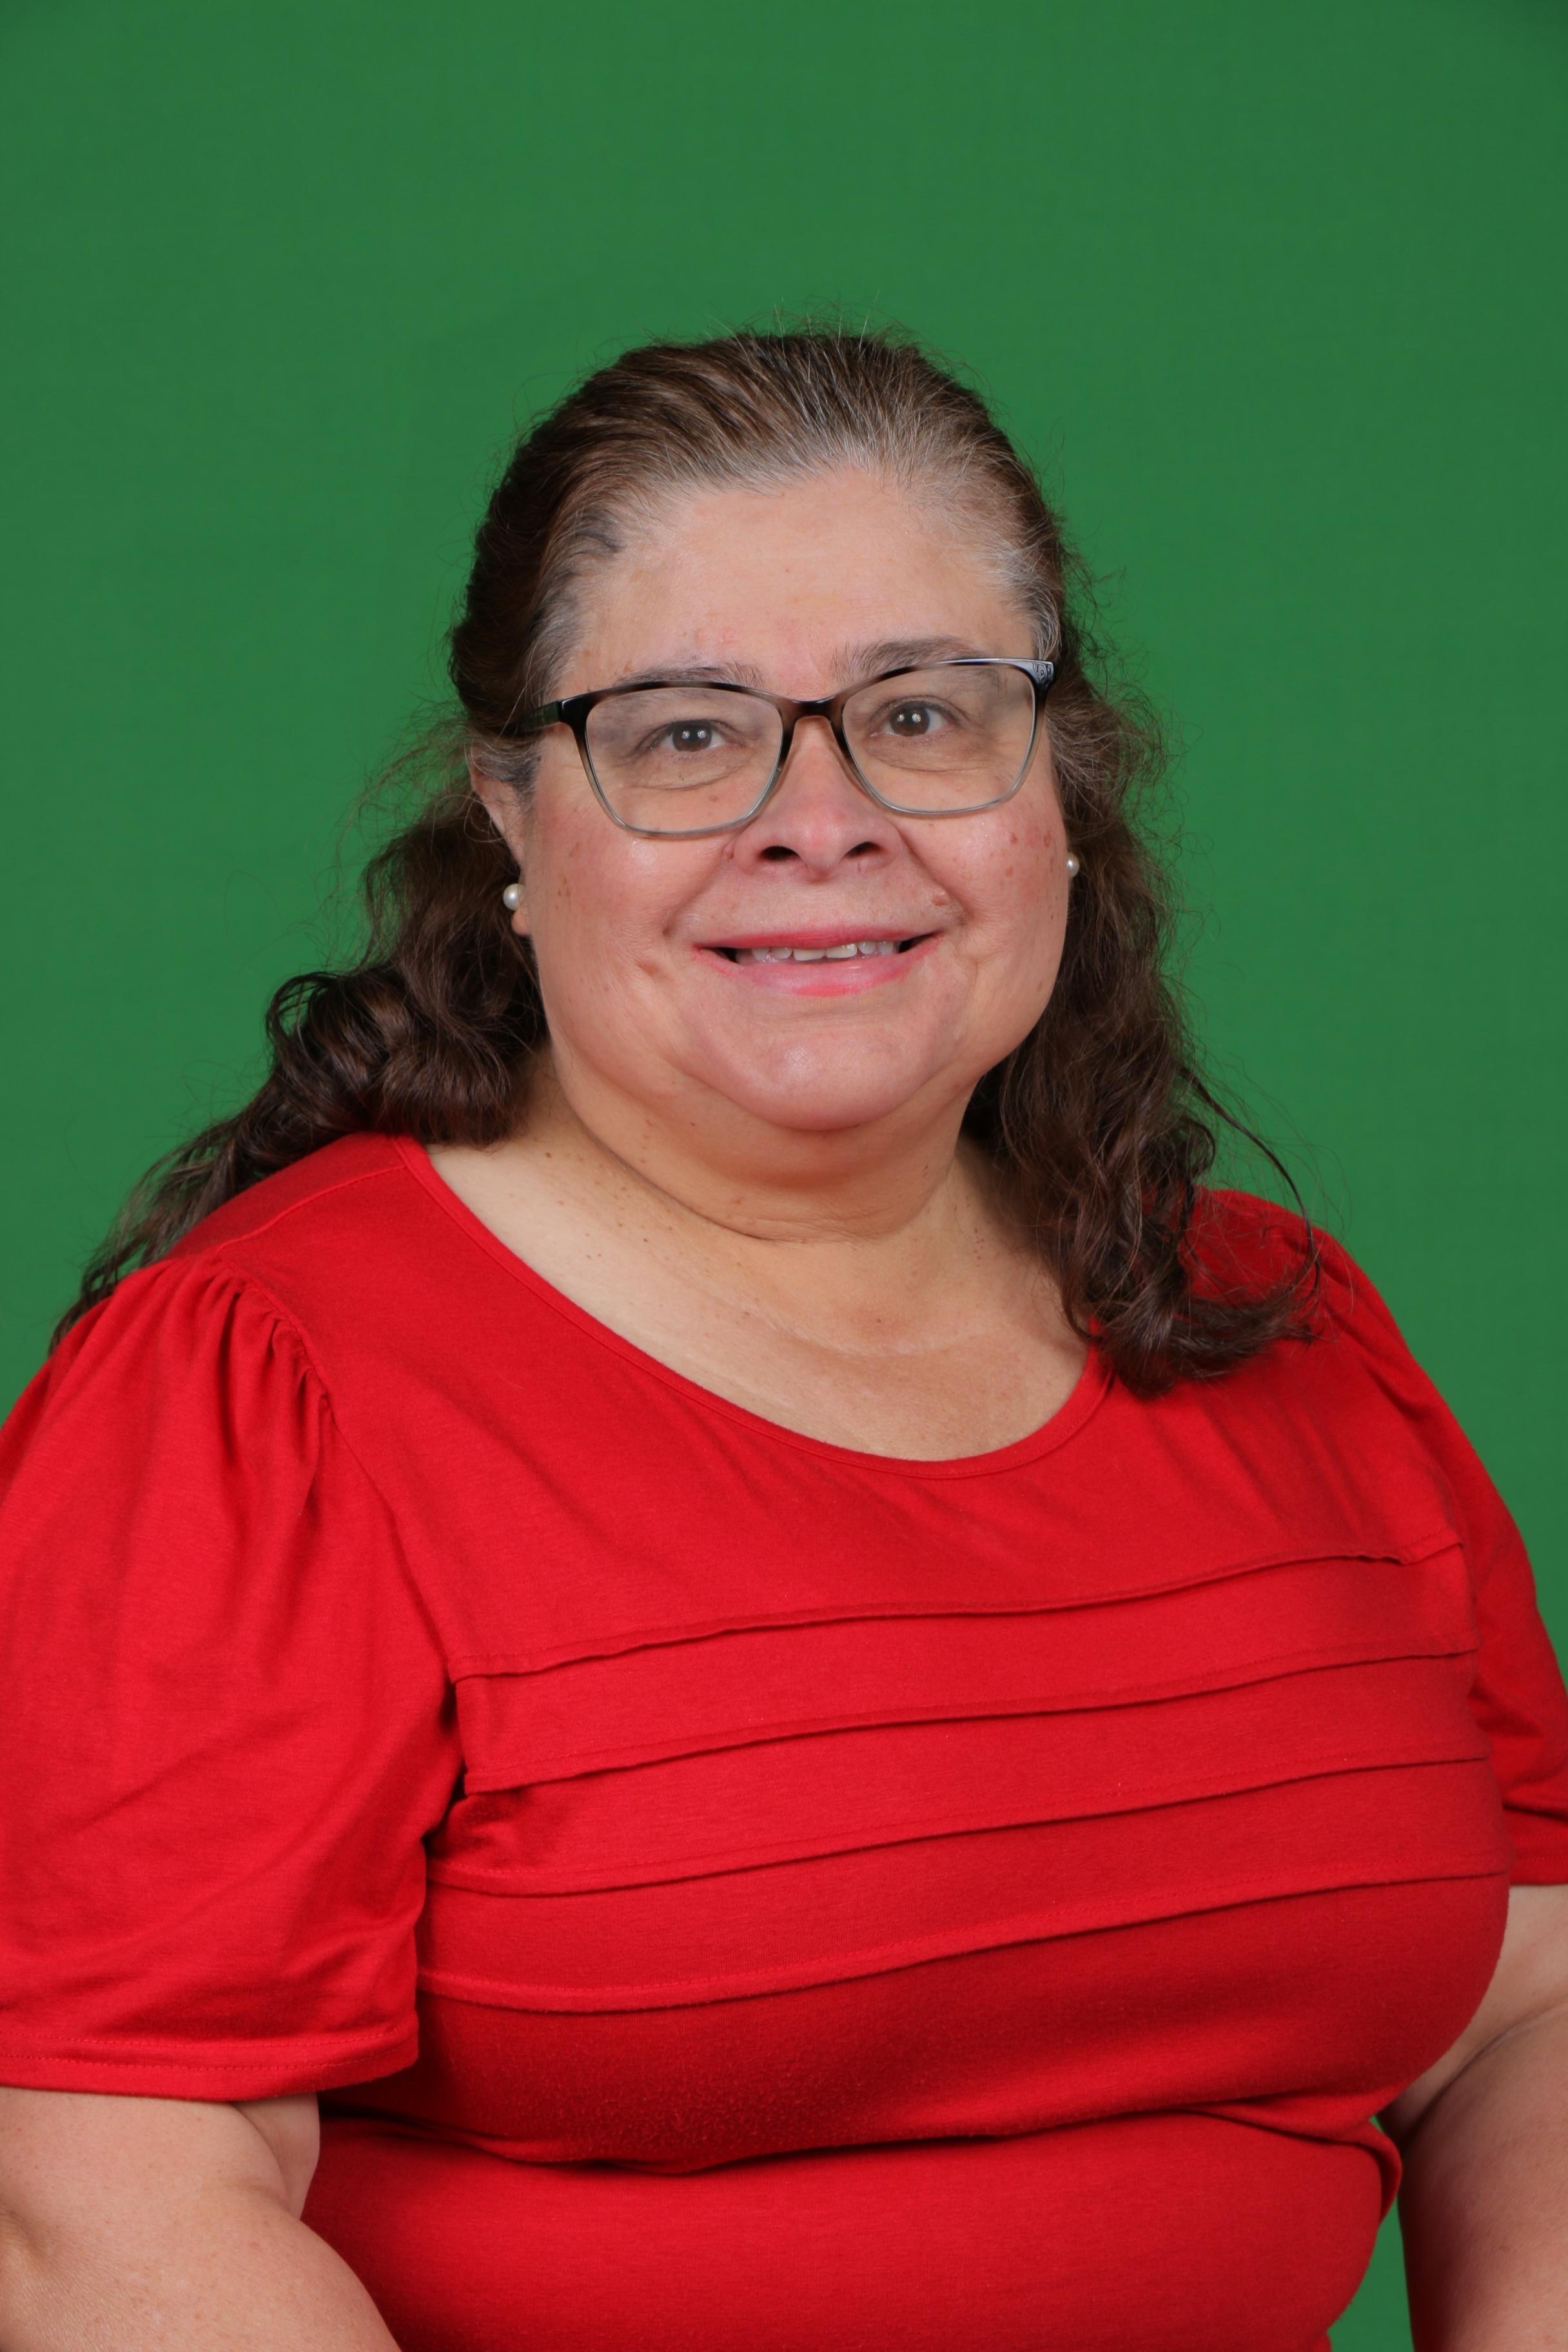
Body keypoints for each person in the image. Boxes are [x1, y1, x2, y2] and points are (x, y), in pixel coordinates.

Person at [0, 330, 1564, 2352]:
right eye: (683, 734)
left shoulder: (1285, 1328)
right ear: (512, 816)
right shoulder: (264, 1387)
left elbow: (1527, 2006)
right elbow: (94, 2206)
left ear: (1058, 790)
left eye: (920, 713)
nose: (819, 820)